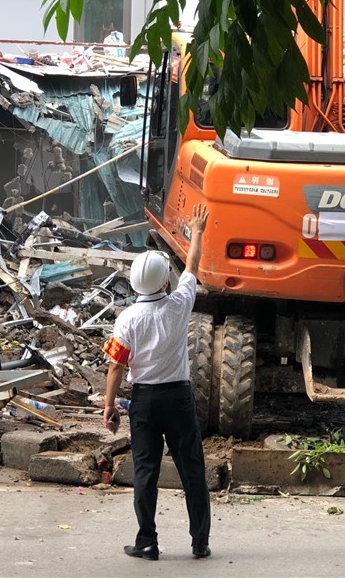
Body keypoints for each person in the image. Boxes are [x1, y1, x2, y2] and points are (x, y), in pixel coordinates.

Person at [103, 202, 212, 561]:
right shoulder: (180, 304)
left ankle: (147, 541)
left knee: (145, 473)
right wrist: (196, 231)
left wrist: (109, 406)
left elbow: (116, 367)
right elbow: (192, 267)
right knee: (192, 470)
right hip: (179, 399)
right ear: (166, 280)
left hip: (145, 403)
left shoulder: (127, 318)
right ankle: (200, 543)